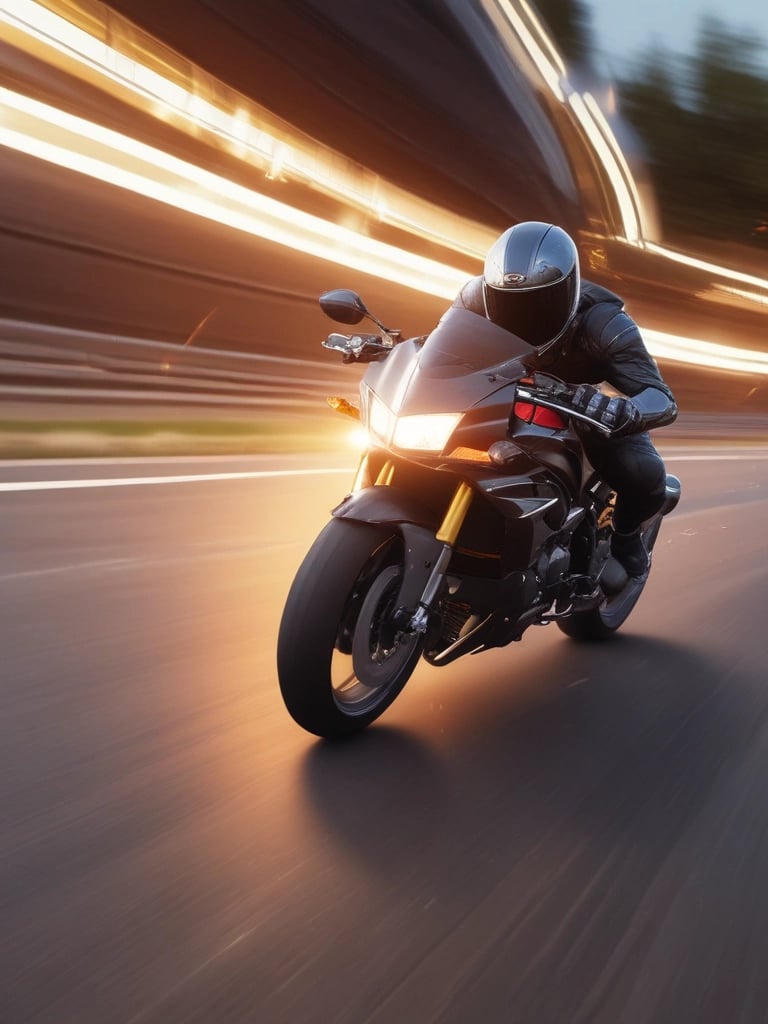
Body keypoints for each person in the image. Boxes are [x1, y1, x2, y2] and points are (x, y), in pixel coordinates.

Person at [453, 221, 678, 577]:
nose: (523, 315)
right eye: (511, 302)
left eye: (538, 302)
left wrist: (623, 409)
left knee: (644, 473)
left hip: (579, 406)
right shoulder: (472, 300)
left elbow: (661, 397)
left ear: (568, 290)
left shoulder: (604, 323)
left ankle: (627, 535)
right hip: (499, 393)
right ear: (491, 290)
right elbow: (441, 349)